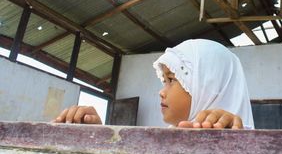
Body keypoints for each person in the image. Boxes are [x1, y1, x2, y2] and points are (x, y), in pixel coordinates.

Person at [54, 39, 254, 129]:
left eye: (172, 80)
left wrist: (231, 138)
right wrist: (98, 137)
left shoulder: (248, 149)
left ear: (208, 87)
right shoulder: (167, 141)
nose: (161, 92)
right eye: (164, 80)